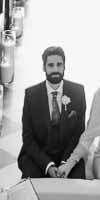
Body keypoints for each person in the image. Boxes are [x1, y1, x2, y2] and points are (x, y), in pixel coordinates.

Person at [18, 44, 86, 179]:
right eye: (50, 65)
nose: (55, 69)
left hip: (68, 155)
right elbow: (28, 137)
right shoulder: (31, 95)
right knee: (33, 188)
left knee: (77, 188)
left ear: (64, 66)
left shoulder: (77, 92)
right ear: (44, 67)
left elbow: (79, 133)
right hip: (38, 155)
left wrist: (65, 163)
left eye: (59, 64)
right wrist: (48, 165)